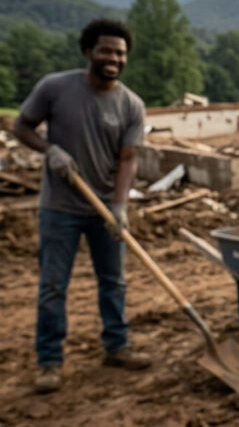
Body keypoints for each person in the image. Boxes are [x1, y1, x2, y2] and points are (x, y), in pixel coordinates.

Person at [13, 19, 151, 394]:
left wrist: (120, 206)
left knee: (114, 283)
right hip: (60, 208)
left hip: (106, 209)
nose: (114, 58)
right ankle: (49, 361)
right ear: (88, 51)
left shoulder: (131, 105)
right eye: (106, 50)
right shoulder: (55, 88)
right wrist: (49, 150)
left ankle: (117, 346)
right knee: (53, 286)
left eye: (120, 53)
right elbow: (21, 126)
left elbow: (128, 161)